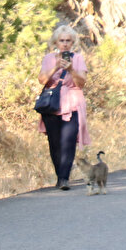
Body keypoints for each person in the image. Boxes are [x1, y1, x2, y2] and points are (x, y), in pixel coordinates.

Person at [37, 24, 91, 190]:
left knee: (68, 141)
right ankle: (60, 175)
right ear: (56, 42)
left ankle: (64, 179)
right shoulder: (48, 59)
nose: (65, 44)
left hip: (73, 103)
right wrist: (56, 67)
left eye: (68, 40)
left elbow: (81, 83)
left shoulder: (78, 59)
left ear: (73, 42)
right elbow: (42, 80)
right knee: (54, 143)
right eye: (62, 41)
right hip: (52, 103)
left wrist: (71, 69)